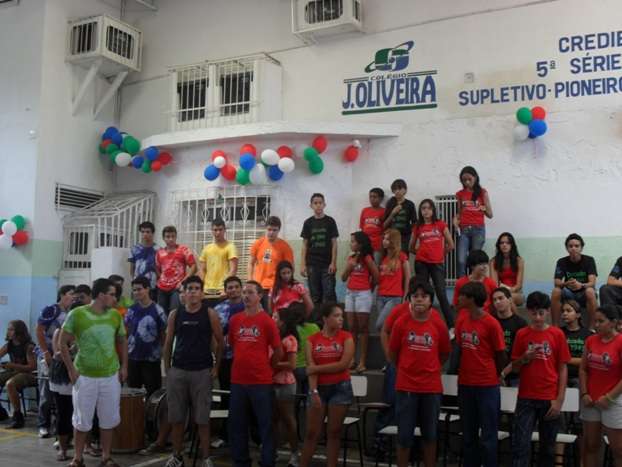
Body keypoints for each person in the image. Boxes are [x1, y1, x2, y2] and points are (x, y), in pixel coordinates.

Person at [60, 278, 128, 467]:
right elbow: (62, 342)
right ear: (101, 295)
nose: (115, 299)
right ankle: (77, 458)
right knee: (81, 420)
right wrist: (71, 370)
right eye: (112, 294)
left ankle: (106, 457)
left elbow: (122, 340)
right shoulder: (77, 314)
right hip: (85, 376)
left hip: (110, 376)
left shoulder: (115, 316)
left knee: (108, 419)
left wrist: (124, 367)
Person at [162, 275, 223, 467]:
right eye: (190, 289)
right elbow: (168, 343)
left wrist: (216, 367)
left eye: (197, 288)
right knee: (176, 417)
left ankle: (206, 458)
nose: (193, 292)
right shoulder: (175, 314)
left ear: (202, 293)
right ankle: (177, 456)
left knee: (202, 419)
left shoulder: (210, 314)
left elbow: (220, 342)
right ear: (185, 293)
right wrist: (168, 369)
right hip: (178, 371)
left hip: (202, 371)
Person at [389, 281, 450, 467]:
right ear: (410, 299)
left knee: (430, 435)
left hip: (431, 388)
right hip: (406, 387)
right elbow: (393, 353)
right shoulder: (401, 323)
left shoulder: (438, 324)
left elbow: (444, 353)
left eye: (424, 296)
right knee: (404, 436)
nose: (419, 300)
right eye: (415, 296)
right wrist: (406, 368)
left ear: (431, 301)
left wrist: (431, 368)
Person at [510, 291, 570, 467]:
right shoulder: (521, 334)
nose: (537, 317)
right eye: (534, 313)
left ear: (548, 312)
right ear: (528, 311)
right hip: (526, 398)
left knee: (548, 449)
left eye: (541, 313)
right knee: (520, 446)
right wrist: (524, 358)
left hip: (549, 398)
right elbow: (514, 367)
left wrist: (559, 400)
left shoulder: (557, 334)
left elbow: (563, 368)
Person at [228, 281, 282, 467]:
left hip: (261, 382)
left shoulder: (267, 321)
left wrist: (268, 368)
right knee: (238, 425)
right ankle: (241, 461)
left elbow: (278, 350)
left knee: (265, 426)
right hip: (238, 381)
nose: (246, 296)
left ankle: (267, 461)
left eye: (250, 292)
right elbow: (233, 344)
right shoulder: (235, 320)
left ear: (260, 296)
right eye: (244, 292)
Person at [455, 281, 506, 467]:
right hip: (466, 384)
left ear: (471, 299)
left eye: (462, 295)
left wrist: (497, 375)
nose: (458, 298)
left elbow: (500, 353)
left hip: (487, 386)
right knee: (468, 435)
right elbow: (460, 349)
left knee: (488, 436)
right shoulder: (462, 321)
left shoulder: (491, 323)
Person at [300, 303, 354, 467]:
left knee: (334, 432)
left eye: (341, 316)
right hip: (318, 388)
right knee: (312, 433)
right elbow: (310, 367)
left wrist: (317, 368)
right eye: (336, 316)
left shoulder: (346, 337)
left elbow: (343, 364)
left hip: (340, 387)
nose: (341, 319)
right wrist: (314, 391)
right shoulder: (312, 340)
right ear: (325, 318)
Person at [580, 305, 622, 467]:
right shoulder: (590, 340)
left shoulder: (620, 342)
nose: (596, 325)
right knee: (591, 445)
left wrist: (609, 398)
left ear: (613, 322)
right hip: (591, 400)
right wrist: (584, 394)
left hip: (614, 400)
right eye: (595, 321)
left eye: (601, 321)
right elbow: (583, 369)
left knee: (618, 449)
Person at [35, 284, 74, 438]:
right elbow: (39, 330)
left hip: (62, 355)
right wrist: (45, 352)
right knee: (46, 392)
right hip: (48, 354)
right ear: (62, 295)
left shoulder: (72, 312)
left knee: (60, 392)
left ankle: (60, 427)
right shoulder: (51, 309)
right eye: (71, 294)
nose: (73, 297)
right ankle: (43, 425)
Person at [210, 276, 245, 450]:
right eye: (230, 287)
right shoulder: (218, 309)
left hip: (245, 360)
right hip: (225, 359)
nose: (233, 290)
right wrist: (217, 355)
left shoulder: (250, 306)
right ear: (225, 290)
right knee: (226, 396)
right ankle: (225, 435)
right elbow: (213, 335)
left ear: (241, 288)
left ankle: (250, 436)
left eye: (236, 287)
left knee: (246, 398)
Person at [410, 198, 455, 327]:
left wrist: (440, 255)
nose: (426, 211)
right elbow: (411, 247)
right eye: (423, 208)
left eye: (429, 208)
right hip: (421, 264)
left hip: (437, 264)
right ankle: (422, 323)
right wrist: (421, 254)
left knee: (441, 294)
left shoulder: (440, 224)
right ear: (420, 211)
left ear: (433, 210)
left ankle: (452, 326)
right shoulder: (418, 226)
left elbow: (451, 245)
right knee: (422, 294)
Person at [342, 231, 379, 373]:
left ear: (360, 244)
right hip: (350, 293)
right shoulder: (351, 258)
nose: (351, 244)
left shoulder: (367, 258)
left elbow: (376, 277)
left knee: (363, 327)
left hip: (363, 294)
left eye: (353, 241)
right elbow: (343, 278)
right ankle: (352, 359)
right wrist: (349, 267)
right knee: (351, 327)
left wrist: (369, 289)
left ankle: (362, 361)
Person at [125, 276, 167, 398]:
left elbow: (164, 335)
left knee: (153, 393)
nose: (136, 292)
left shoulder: (158, 310)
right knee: (133, 393)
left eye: (139, 289)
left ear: (147, 289)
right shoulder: (131, 310)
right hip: (133, 357)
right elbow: (126, 332)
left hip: (151, 359)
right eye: (134, 290)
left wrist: (163, 354)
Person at [300, 193, 339, 308]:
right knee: (315, 295)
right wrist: (303, 264)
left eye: (320, 203)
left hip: (327, 264)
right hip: (312, 264)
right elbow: (305, 244)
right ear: (311, 205)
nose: (318, 205)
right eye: (315, 203)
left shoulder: (330, 221)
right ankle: (317, 319)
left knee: (329, 294)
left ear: (324, 204)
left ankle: (331, 318)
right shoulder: (308, 223)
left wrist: (333, 263)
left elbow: (334, 243)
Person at [453, 166, 493, 277]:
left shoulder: (482, 192)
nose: (467, 182)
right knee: (461, 260)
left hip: (478, 230)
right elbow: (459, 212)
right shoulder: (460, 194)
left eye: (469, 179)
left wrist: (483, 209)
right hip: (464, 230)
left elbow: (490, 214)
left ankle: (474, 283)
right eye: (464, 180)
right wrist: (455, 220)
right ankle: (462, 284)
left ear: (475, 177)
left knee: (475, 261)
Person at [551, 233, 598, 327]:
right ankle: (555, 327)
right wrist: (567, 283)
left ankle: (592, 327)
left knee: (590, 291)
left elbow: (592, 283)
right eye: (570, 246)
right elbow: (557, 282)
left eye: (577, 246)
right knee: (556, 291)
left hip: (584, 292)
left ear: (581, 248)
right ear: (567, 248)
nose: (573, 248)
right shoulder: (561, 261)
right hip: (569, 293)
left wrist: (581, 285)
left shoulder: (589, 260)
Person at [272, 311, 300, 467]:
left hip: (285, 383)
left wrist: (273, 365)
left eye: (275, 317)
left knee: (288, 419)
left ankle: (294, 454)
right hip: (271, 382)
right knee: (273, 419)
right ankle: (273, 451)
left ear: (282, 322)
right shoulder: (272, 337)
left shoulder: (290, 339)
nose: (272, 319)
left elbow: (292, 364)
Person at [249, 216, 293, 312]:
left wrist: (287, 285)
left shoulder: (285, 247)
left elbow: (289, 268)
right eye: (269, 229)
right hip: (258, 286)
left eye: (274, 230)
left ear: (279, 230)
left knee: (273, 314)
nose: (271, 232)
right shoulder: (258, 243)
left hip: (276, 286)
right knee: (258, 314)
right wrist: (250, 281)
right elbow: (251, 264)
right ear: (266, 229)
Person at [0, 320, 37, 428]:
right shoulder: (9, 345)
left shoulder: (28, 346)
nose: (8, 332)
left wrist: (12, 365)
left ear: (19, 331)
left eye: (11, 329)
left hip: (29, 374)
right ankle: (1, 412)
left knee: (10, 384)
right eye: (8, 329)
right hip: (14, 372)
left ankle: (18, 417)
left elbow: (32, 367)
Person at [156, 225, 197, 315]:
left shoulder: (184, 250)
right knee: (161, 313)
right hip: (162, 288)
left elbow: (194, 267)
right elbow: (157, 269)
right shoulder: (159, 252)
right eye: (168, 237)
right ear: (163, 238)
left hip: (177, 288)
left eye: (173, 236)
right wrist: (162, 279)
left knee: (175, 312)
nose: (170, 239)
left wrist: (183, 282)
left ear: (176, 237)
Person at [375, 229, 411, 331]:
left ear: (393, 241)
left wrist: (405, 296)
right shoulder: (382, 257)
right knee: (386, 329)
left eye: (387, 239)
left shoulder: (402, 256)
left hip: (394, 297)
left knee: (380, 325)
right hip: (380, 296)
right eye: (384, 238)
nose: (384, 241)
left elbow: (408, 278)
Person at [198, 219, 238, 308]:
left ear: (225, 230)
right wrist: (200, 288)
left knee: (222, 316)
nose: (218, 232)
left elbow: (233, 269)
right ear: (211, 231)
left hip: (222, 291)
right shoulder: (206, 248)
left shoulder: (230, 247)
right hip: (207, 291)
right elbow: (202, 270)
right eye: (215, 230)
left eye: (220, 229)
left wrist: (226, 288)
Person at [492, 287, 527, 386]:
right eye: (494, 300)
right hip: (493, 373)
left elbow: (523, 353)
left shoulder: (521, 323)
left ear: (510, 300)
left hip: (514, 375)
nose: (497, 302)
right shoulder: (491, 322)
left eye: (501, 298)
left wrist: (505, 373)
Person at [49, 328, 74, 462]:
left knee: (84, 412)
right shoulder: (60, 331)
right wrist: (72, 349)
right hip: (62, 377)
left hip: (81, 374)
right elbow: (57, 354)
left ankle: (86, 445)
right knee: (64, 412)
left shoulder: (85, 329)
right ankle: (62, 448)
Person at [453, 249, 498, 316]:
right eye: (481, 264)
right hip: (466, 317)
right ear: (472, 266)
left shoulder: (491, 283)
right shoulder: (460, 282)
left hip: (485, 317)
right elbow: (456, 304)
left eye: (486, 263)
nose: (485, 267)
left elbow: (495, 304)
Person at [489, 232, 525, 306]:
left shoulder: (519, 260)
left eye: (508, 243)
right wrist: (502, 293)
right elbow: (494, 284)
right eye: (502, 243)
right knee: (498, 297)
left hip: (516, 293)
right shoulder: (493, 261)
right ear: (498, 245)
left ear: (512, 245)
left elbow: (519, 285)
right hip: (500, 292)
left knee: (507, 298)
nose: (504, 245)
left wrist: (508, 291)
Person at [562, 300, 592, 387]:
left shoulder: (588, 334)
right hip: (561, 375)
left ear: (578, 315)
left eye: (568, 311)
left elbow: (589, 361)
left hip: (581, 377)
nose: (564, 313)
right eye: (563, 311)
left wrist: (567, 360)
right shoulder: (558, 333)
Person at [383, 179, 417, 253]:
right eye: (395, 189)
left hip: (405, 237)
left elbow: (414, 223)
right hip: (391, 237)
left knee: (403, 257)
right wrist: (393, 213)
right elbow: (384, 225)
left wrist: (411, 236)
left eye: (400, 188)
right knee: (391, 257)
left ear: (405, 190)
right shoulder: (390, 203)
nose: (397, 191)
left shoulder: (410, 204)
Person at [128, 221, 160, 298]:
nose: (145, 234)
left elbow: (160, 269)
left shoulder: (159, 250)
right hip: (137, 286)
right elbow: (132, 268)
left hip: (152, 286)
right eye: (143, 232)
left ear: (152, 233)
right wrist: (133, 280)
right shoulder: (134, 249)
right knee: (136, 305)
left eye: (147, 232)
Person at [359, 187, 385, 263]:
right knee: (365, 266)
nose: (372, 199)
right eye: (370, 196)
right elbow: (362, 228)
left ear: (381, 199)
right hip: (365, 244)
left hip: (377, 245)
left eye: (374, 197)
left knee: (376, 265)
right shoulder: (365, 210)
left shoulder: (384, 211)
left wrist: (382, 246)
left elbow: (385, 229)